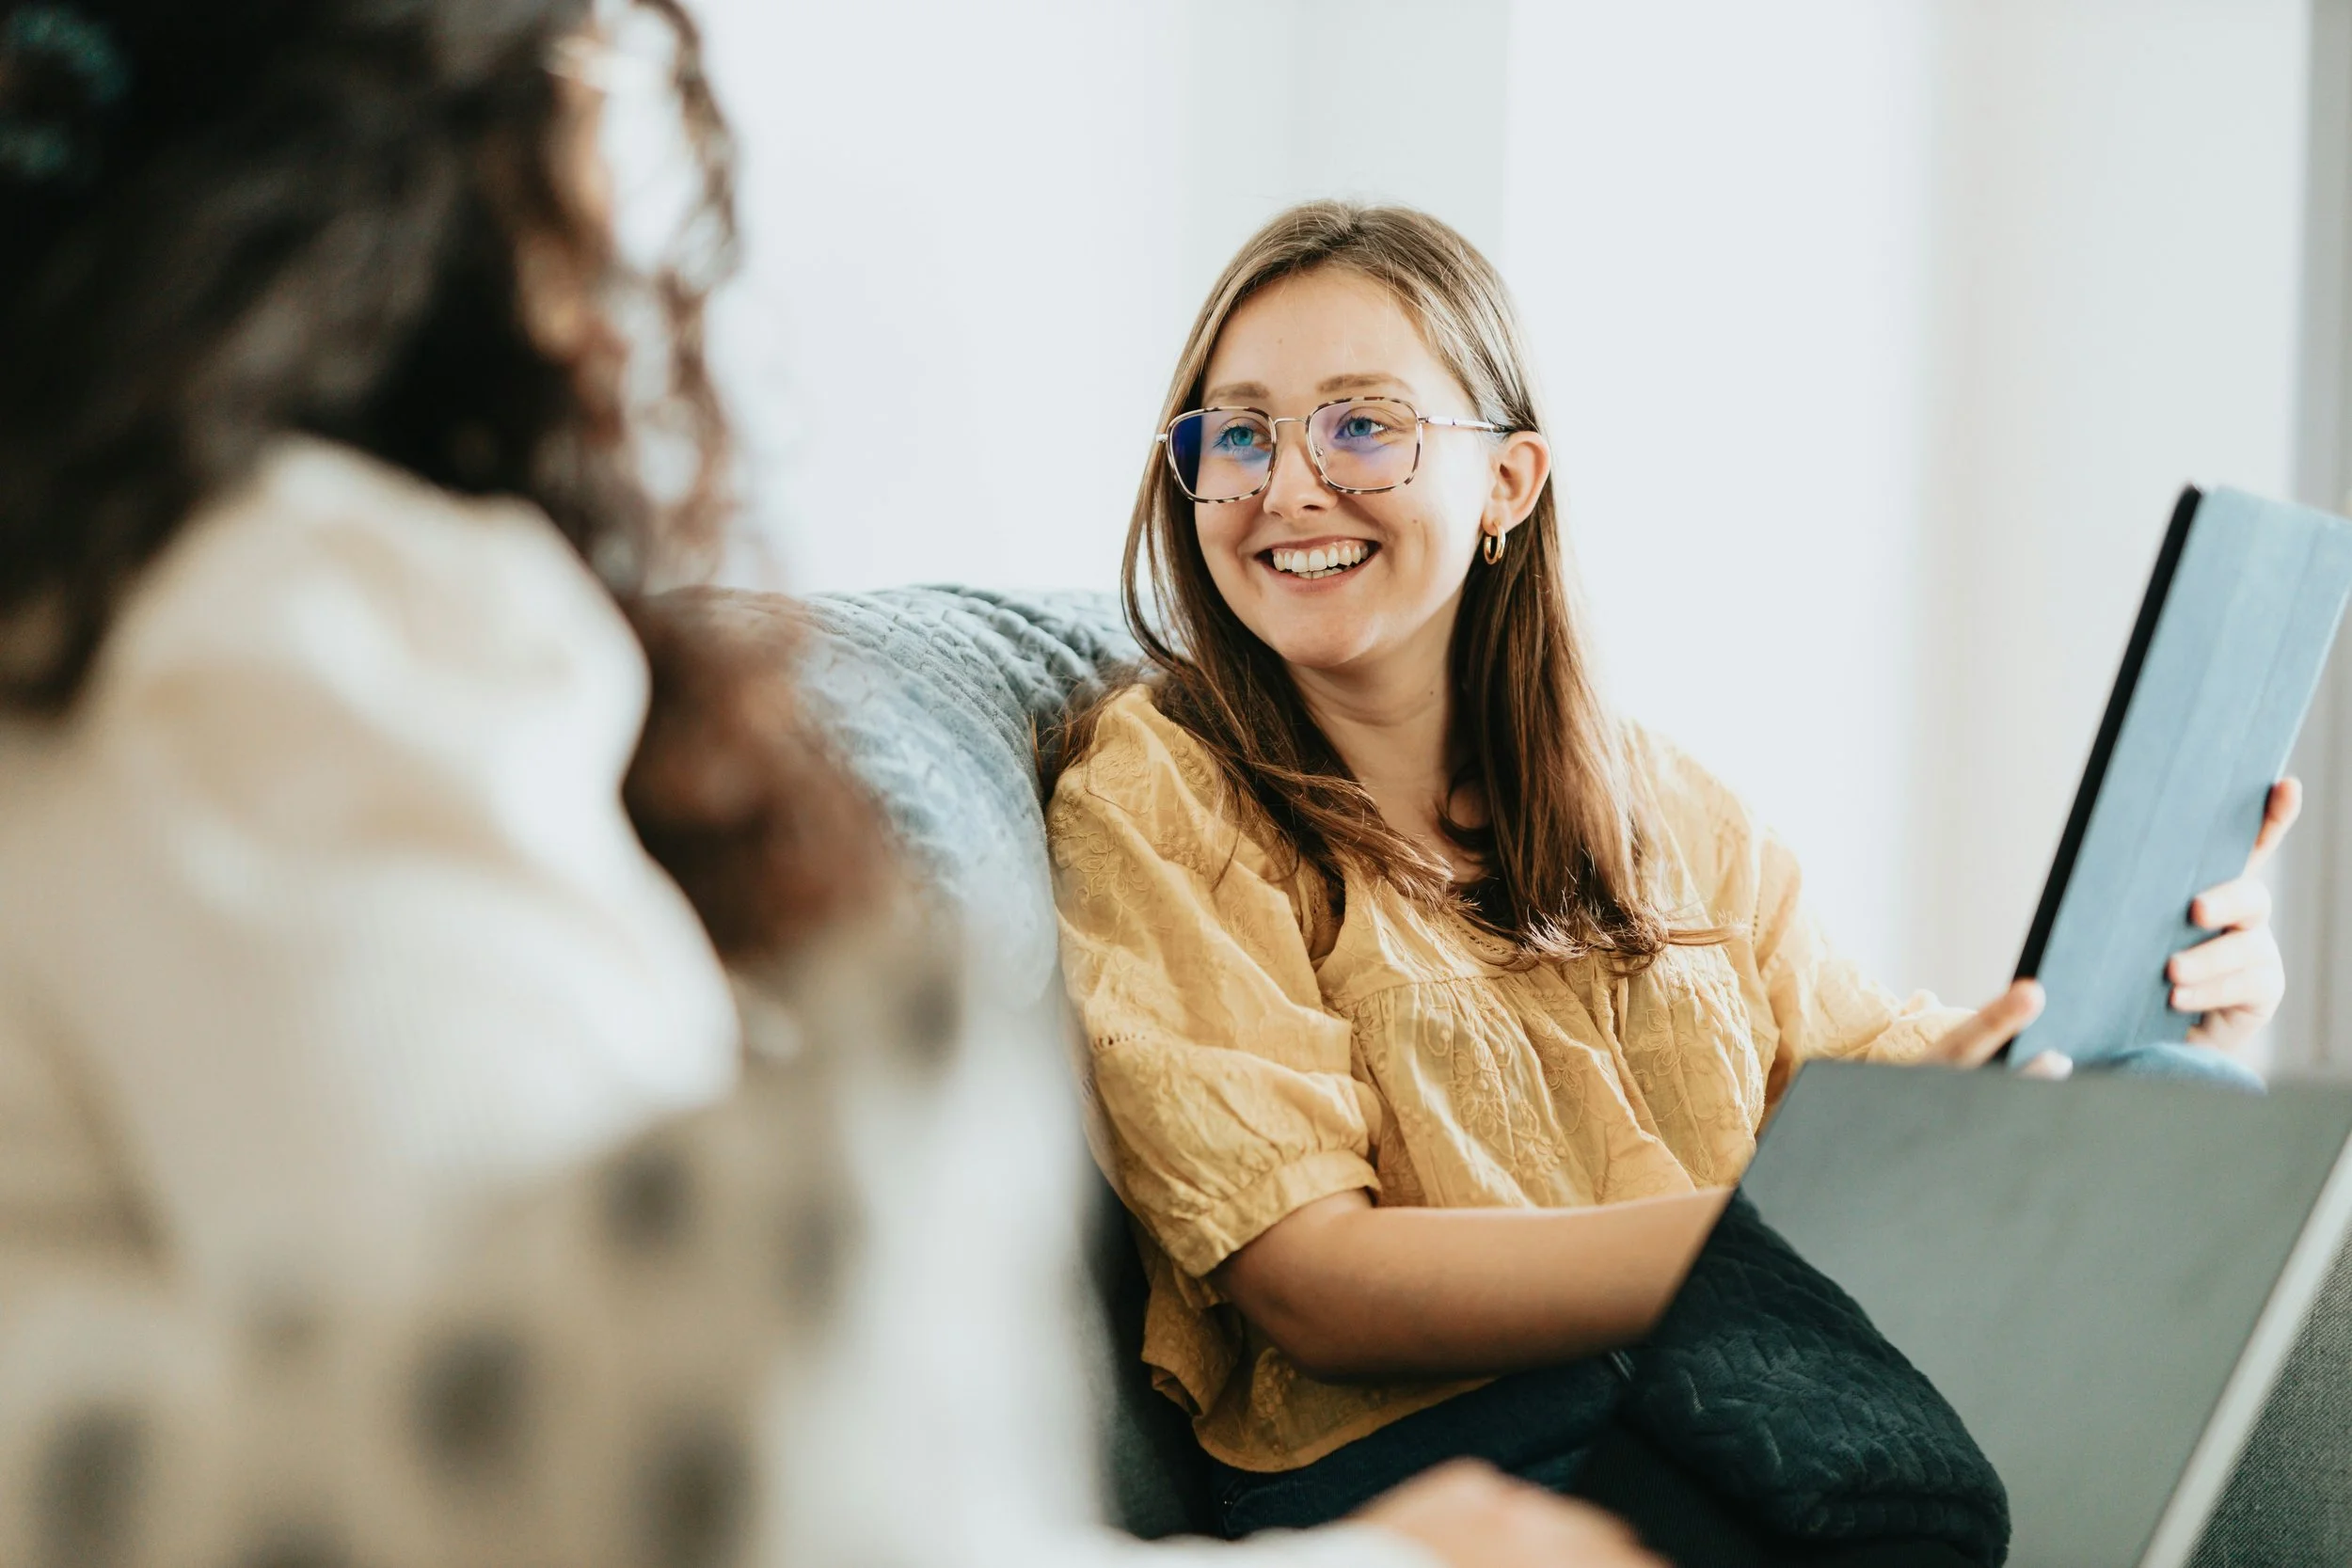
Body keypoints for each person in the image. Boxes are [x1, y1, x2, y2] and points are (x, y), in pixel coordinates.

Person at [0, 6, 1655, 1565]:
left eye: (1366, 427)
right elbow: (667, 1491)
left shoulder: (192, 621)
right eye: (582, 59)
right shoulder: (281, 633)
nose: (614, 149)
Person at [1045, 200, 2300, 1547]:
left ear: (1510, 484)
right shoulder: (1161, 788)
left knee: (2196, 1114)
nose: (1289, 487)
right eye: (1238, 435)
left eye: (1362, 424)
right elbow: (1312, 1279)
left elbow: (1881, 1082)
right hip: (1443, 1461)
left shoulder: (1661, 806)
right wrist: (1774, 1240)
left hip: (1748, 1393)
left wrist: (2157, 1007)